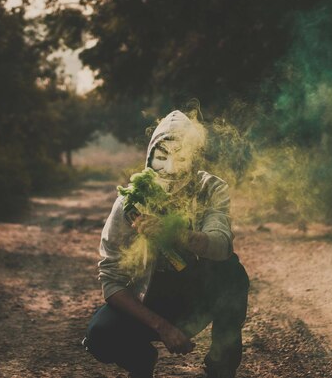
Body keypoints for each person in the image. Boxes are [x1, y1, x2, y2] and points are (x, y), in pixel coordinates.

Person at [82, 110, 249, 378]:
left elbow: (221, 245)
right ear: (149, 158)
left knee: (232, 273)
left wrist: (175, 235)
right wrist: (162, 326)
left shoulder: (211, 189)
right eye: (162, 158)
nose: (170, 168)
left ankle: (221, 366)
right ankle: (140, 361)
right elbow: (111, 280)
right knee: (100, 336)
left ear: (194, 159)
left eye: (181, 158)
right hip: (149, 300)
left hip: (198, 298)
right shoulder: (130, 202)